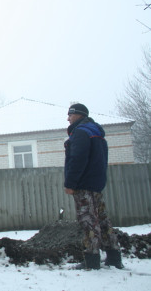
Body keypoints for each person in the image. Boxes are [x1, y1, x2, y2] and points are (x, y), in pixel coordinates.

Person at [63, 103, 123, 270]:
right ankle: (113, 256)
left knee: (88, 221)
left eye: (70, 115)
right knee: (103, 221)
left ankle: (92, 259)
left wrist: (70, 184)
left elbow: (77, 160)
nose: (68, 118)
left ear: (79, 115)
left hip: (83, 185)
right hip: (96, 184)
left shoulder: (81, 133)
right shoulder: (96, 132)